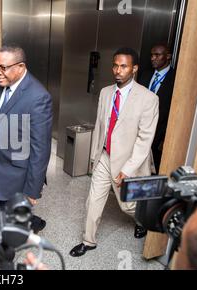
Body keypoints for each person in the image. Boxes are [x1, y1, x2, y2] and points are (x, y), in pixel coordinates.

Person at [69, 48, 159, 257]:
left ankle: (142, 219)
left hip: (130, 162)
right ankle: (88, 241)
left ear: (134, 69)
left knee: (128, 206)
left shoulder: (148, 99)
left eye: (124, 66)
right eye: (115, 65)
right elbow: (101, 127)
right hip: (105, 156)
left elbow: (144, 140)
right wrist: (95, 156)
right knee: (93, 200)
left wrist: (127, 170)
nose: (118, 70)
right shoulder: (106, 92)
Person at [0, 45, 52, 234]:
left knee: (9, 230)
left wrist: (33, 190)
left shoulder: (39, 97)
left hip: (17, 176)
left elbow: (40, 149)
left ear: (20, 67)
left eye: (3, 67)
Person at [138, 43, 176, 172]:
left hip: (159, 132)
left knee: (153, 167)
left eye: (157, 55)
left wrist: (165, 138)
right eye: (152, 55)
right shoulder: (145, 74)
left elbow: (173, 111)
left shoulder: (176, 79)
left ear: (168, 56)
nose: (153, 58)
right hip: (139, 128)